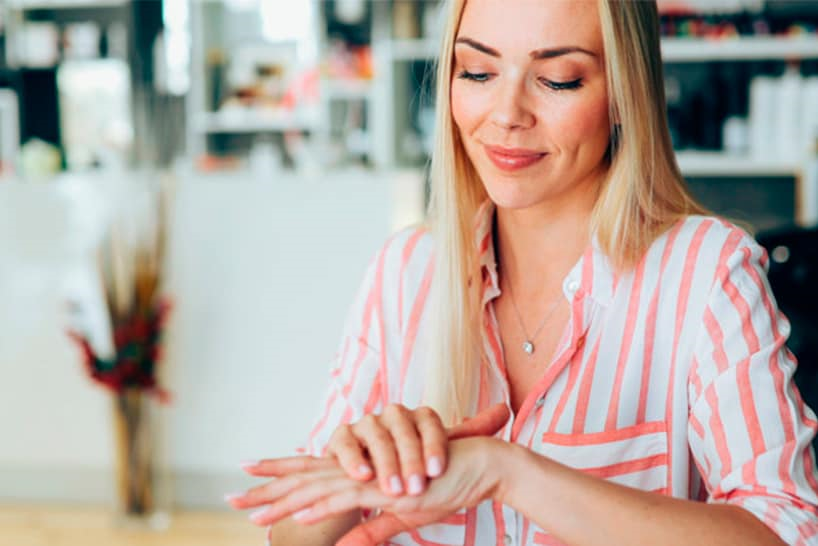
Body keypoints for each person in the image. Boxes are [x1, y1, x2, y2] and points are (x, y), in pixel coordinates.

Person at [226, 1, 818, 544]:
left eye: (557, 79)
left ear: (624, 94)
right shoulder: (406, 270)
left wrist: (507, 472)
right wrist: (356, 472)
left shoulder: (707, 271)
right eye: (478, 73)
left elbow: (786, 530)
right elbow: (292, 537)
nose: (507, 114)